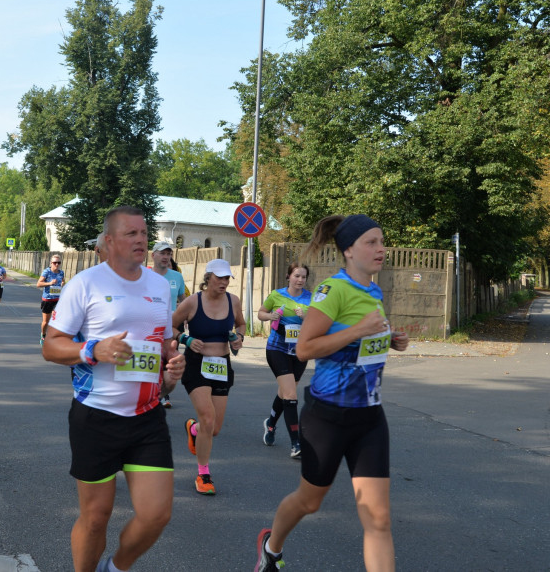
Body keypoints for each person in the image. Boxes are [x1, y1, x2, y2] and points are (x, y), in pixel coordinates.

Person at [254, 214, 409, 572]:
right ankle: (271, 547)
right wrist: (359, 330)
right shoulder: (331, 290)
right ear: (349, 250)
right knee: (309, 502)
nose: (381, 248)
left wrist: (390, 340)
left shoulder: (374, 290)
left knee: (379, 520)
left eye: (382, 241)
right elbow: (306, 348)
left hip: (369, 417)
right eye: (372, 242)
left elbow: (363, 343)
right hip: (328, 416)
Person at [43, 205, 185, 572]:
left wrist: (172, 365)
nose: (141, 240)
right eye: (131, 234)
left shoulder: (159, 284)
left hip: (146, 416)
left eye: (144, 233)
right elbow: (51, 345)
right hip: (96, 416)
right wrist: (92, 349)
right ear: (109, 241)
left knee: (157, 515)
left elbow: (164, 343)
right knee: (95, 517)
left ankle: (116, 568)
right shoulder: (85, 284)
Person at [174, 258, 246, 495]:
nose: (224, 282)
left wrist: (238, 338)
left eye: (227, 278)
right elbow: (171, 327)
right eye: (220, 278)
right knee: (207, 418)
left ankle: (193, 430)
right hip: (197, 364)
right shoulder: (192, 302)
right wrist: (186, 339)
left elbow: (242, 326)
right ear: (208, 278)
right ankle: (203, 474)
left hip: (222, 365)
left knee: (213, 428)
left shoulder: (233, 301)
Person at [258, 263, 312, 458]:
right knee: (291, 394)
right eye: (296, 276)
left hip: (299, 351)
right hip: (277, 348)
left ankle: (270, 424)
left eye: (303, 277)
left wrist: (307, 316)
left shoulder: (310, 298)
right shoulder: (276, 295)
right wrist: (270, 315)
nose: (300, 280)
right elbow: (260, 313)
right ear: (288, 276)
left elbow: (318, 321)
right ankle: (296, 444)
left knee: (285, 392)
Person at [150, 240, 185, 409]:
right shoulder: (144, 276)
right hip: (150, 327)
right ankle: (152, 397)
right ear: (153, 255)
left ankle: (160, 395)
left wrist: (187, 318)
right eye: (162, 253)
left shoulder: (177, 276)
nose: (166, 257)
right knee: (153, 364)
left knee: (169, 370)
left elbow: (183, 301)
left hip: (172, 328)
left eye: (168, 254)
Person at [37, 253, 64, 344]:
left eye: (58, 263)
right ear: (51, 263)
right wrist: (49, 283)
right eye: (55, 262)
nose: (57, 264)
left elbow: (63, 280)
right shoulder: (46, 272)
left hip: (57, 300)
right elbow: (38, 284)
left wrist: (62, 284)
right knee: (45, 322)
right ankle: (43, 334)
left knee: (57, 319)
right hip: (47, 300)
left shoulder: (61, 272)